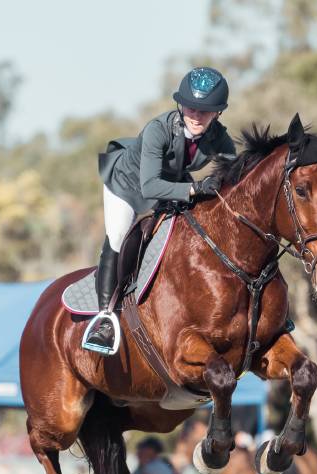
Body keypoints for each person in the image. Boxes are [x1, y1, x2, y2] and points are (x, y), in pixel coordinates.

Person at [82, 67, 238, 355]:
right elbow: (151, 186)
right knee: (117, 237)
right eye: (191, 107)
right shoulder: (158, 129)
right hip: (129, 188)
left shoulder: (218, 136)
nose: (196, 115)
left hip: (172, 184)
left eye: (205, 111)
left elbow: (237, 172)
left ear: (218, 113)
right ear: (180, 104)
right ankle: (104, 318)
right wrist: (194, 189)